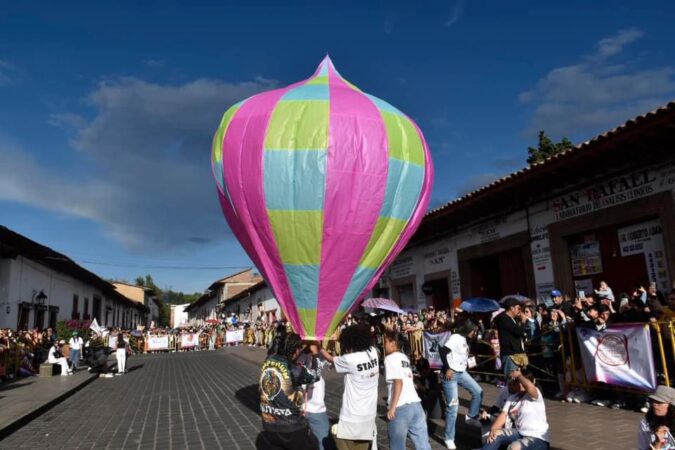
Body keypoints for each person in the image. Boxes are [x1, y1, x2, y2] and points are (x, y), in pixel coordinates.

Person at [320, 325, 379, 450]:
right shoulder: (373, 353)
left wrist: (318, 347)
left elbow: (330, 358)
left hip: (352, 417)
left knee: (335, 437)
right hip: (369, 416)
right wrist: (340, 338)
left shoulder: (350, 360)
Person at [257, 333, 320, 450]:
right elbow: (315, 375)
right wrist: (315, 355)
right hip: (291, 426)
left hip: (269, 424)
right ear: (296, 350)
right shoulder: (294, 369)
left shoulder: (268, 360)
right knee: (314, 444)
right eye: (299, 349)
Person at [438, 320, 484, 450]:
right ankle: (449, 438)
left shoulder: (464, 339)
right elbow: (442, 351)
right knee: (453, 406)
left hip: (461, 372)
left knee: (478, 391)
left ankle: (471, 417)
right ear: (468, 329)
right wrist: (447, 368)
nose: (474, 332)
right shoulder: (456, 337)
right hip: (450, 374)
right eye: (473, 330)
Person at [383, 331, 431, 450]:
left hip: (401, 407)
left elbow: (398, 382)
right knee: (423, 444)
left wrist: (392, 408)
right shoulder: (404, 357)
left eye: (386, 342)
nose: (384, 345)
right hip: (416, 404)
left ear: (393, 343)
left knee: (397, 446)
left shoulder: (389, 359)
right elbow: (409, 378)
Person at [482, 369, 550, 450]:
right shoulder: (512, 398)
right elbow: (504, 414)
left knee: (514, 448)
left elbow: (529, 386)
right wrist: (494, 429)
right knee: (495, 434)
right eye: (518, 381)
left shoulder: (535, 394)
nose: (521, 384)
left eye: (523, 381)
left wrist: (519, 375)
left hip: (537, 437)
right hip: (519, 433)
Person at [298, 346, 333, 450]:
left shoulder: (321, 355)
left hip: (308, 406)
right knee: (325, 442)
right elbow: (314, 375)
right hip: (312, 408)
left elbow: (333, 363)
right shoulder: (300, 356)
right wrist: (315, 353)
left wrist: (321, 349)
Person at [493, 297, 528, 378]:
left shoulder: (511, 318)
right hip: (510, 355)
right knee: (512, 379)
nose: (519, 310)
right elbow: (519, 332)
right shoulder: (504, 319)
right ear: (512, 308)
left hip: (516, 352)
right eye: (518, 308)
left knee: (519, 379)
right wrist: (523, 321)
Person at [638, 385, 675, 450]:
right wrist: (657, 442)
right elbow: (643, 448)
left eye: (659, 402)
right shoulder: (646, 423)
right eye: (653, 401)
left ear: (671, 406)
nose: (654, 404)